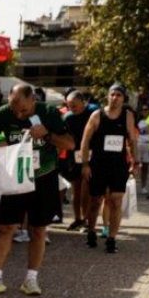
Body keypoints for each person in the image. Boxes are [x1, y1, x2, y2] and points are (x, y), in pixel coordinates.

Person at [0, 83, 74, 295]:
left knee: (38, 230)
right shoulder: (5, 112)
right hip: (16, 177)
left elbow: (70, 144)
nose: (18, 114)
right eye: (14, 108)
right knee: (5, 227)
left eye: (23, 110)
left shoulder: (49, 113)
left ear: (33, 100)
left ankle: (31, 279)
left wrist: (47, 135)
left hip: (44, 177)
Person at [80, 83, 139, 253]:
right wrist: (85, 164)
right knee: (95, 201)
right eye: (112, 94)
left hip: (118, 165)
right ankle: (91, 230)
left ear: (123, 98)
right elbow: (85, 141)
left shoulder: (127, 116)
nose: (115, 98)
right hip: (98, 164)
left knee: (116, 201)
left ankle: (112, 239)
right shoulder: (97, 115)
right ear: (107, 96)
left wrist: (135, 161)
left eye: (118, 95)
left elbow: (132, 140)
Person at [62, 90, 95, 231]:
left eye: (74, 105)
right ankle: (77, 219)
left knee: (86, 190)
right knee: (76, 190)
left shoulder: (92, 114)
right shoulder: (67, 118)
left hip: (91, 155)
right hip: (74, 156)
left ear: (83, 102)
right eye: (69, 105)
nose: (72, 108)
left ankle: (87, 220)